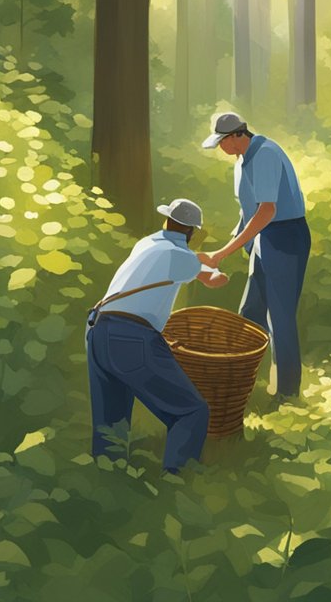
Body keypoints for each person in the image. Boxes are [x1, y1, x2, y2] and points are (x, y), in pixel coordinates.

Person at [86, 198, 229, 473]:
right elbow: (211, 279)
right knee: (191, 411)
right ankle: (177, 479)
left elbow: (185, 259)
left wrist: (200, 259)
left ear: (167, 221)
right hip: (132, 337)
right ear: (191, 232)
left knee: (111, 422)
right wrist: (216, 270)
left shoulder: (146, 244)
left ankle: (106, 478)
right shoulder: (181, 258)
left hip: (98, 329)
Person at [201, 112, 311, 399]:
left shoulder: (265, 155)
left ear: (238, 135)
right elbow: (248, 209)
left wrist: (222, 253)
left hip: (285, 237)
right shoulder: (241, 161)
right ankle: (242, 383)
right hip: (264, 239)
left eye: (223, 142)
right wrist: (237, 238)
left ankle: (287, 393)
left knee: (280, 317)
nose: (221, 149)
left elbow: (267, 211)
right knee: (250, 314)